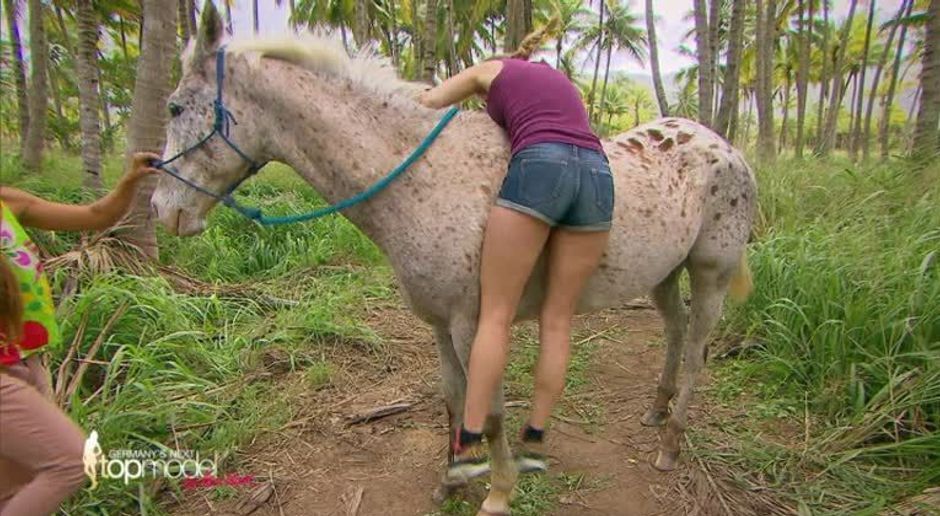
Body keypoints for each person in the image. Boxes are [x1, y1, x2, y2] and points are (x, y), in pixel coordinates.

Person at [418, 21, 615, 481]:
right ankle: (537, 437)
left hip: (542, 165)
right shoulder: (558, 79)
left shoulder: (490, 70)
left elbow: (429, 103)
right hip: (599, 174)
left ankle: (467, 444)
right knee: (558, 318)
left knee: (496, 315)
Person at [0, 152, 160, 515]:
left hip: (25, 360)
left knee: (16, 489)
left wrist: (130, 180)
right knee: (72, 461)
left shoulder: (8, 202)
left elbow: (95, 216)